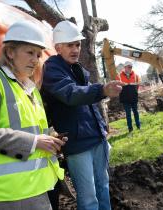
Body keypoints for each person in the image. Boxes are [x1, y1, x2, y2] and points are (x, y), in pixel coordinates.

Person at [0, 20, 67, 210]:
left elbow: (32, 129)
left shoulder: (29, 88)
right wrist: (35, 141)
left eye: (38, 55)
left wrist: (51, 138)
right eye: (30, 52)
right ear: (10, 52)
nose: (35, 60)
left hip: (38, 185)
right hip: (11, 195)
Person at [41, 20, 124, 210]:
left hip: (96, 138)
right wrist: (102, 89)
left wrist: (102, 130)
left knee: (103, 188)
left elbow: (89, 106)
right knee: (88, 198)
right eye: (70, 45)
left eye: (77, 44)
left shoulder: (78, 69)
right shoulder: (52, 69)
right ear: (58, 47)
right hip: (78, 145)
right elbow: (71, 94)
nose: (75, 49)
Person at [116, 61, 141, 132]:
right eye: (128, 67)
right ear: (125, 67)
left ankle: (138, 126)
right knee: (128, 114)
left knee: (136, 112)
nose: (130, 68)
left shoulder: (136, 75)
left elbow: (138, 85)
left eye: (131, 67)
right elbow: (118, 87)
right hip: (125, 98)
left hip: (133, 97)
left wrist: (135, 92)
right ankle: (130, 129)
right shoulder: (119, 76)